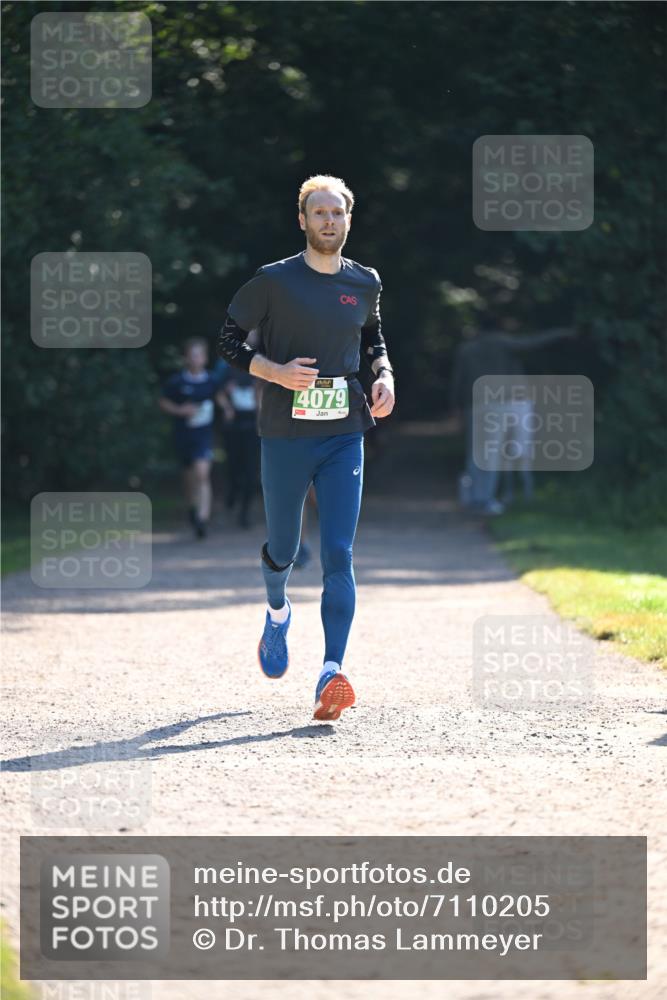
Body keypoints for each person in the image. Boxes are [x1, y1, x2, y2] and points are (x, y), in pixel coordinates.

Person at [217, 174, 395, 721]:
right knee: (285, 549)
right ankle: (276, 612)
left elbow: (372, 338)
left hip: (344, 431)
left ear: (348, 218)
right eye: (318, 213)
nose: (328, 221)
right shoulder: (273, 282)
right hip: (285, 434)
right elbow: (228, 339)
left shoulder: (364, 282)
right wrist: (274, 370)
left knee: (339, 553)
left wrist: (384, 372)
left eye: (337, 212)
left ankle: (330, 672)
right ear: (302, 220)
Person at [449, 313, 575, 515]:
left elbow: (458, 380)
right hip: (498, 404)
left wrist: (455, 407)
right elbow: (532, 343)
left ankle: (473, 497)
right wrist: (563, 333)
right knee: (491, 453)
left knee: (475, 452)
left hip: (474, 405)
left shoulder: (467, 349)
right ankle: (485, 499)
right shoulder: (503, 343)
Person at [159, 337, 222, 539]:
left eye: (199, 354)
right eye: (192, 355)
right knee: (189, 478)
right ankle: (192, 509)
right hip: (184, 436)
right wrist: (179, 410)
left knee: (202, 474)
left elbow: (220, 397)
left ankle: (203, 519)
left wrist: (227, 408)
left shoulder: (212, 380)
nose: (196, 359)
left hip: (204, 436)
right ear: (186, 358)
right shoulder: (177, 382)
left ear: (205, 358)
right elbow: (162, 401)